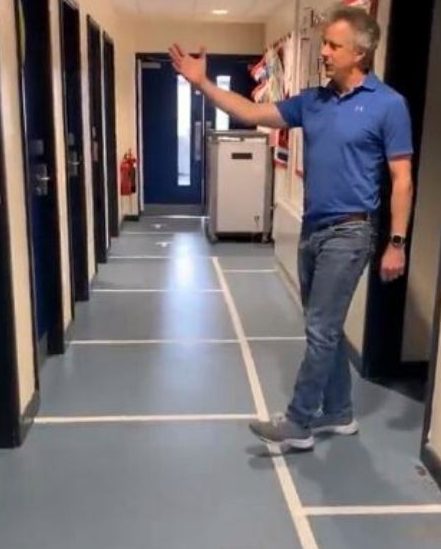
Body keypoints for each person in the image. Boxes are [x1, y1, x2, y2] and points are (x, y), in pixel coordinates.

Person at [169, 5, 413, 451]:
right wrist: (201, 83)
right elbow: (251, 112)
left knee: (321, 328)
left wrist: (396, 242)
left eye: (333, 45)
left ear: (361, 53)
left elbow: (402, 179)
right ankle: (338, 413)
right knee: (325, 327)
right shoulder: (313, 101)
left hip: (352, 231)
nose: (324, 52)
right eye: (324, 43)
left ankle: (299, 422)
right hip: (313, 229)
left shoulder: (389, 105)